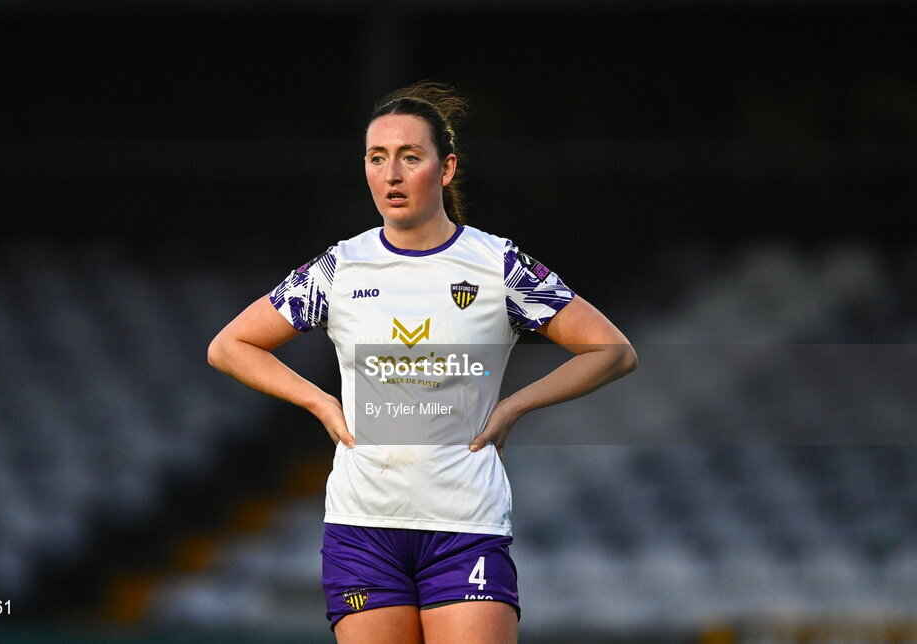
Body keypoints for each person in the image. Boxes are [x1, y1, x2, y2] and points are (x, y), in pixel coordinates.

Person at [207, 81, 637, 644]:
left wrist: (514, 406)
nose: (391, 175)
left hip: (465, 527)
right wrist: (319, 401)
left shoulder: (498, 265)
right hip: (362, 528)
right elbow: (229, 346)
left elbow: (612, 350)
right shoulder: (341, 268)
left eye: (410, 157)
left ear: (447, 167)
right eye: (376, 158)